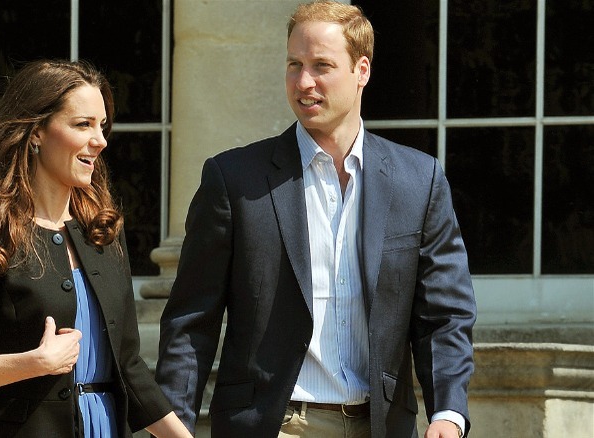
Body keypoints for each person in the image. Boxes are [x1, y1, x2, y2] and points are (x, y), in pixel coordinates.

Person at [155, 2, 476, 438]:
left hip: (381, 426)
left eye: (321, 66)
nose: (303, 82)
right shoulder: (233, 180)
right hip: (274, 425)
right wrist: (174, 424)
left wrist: (448, 414)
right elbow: (192, 319)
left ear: (362, 70)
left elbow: (444, 316)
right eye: (294, 65)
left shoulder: (419, 181)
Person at [0, 59, 192, 438]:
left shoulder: (103, 232)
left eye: (102, 126)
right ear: (37, 132)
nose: (101, 140)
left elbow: (128, 368)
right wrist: (32, 363)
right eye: (83, 125)